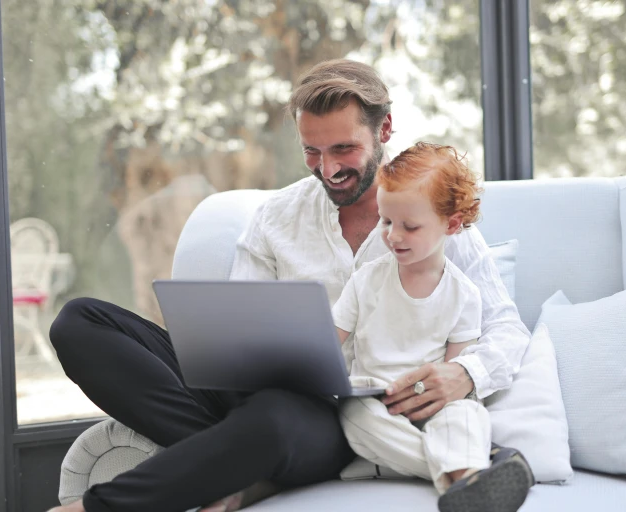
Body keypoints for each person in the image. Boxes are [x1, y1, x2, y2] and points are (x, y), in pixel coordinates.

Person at [47, 59, 532, 512]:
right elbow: (241, 328)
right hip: (259, 395)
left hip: (339, 419)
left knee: (274, 421)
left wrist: (464, 373)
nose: (329, 169)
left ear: (384, 130)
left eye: (344, 149)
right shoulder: (277, 216)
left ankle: (103, 506)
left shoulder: (433, 221)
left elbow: (506, 329)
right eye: (312, 151)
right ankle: (245, 462)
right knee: (80, 323)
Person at [334, 142, 533, 512]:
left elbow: (454, 371)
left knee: (466, 413)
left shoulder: (465, 293)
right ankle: (468, 475)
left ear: (452, 224)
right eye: (386, 221)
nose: (393, 235)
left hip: (432, 403)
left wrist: (438, 406)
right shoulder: (365, 280)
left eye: (409, 226)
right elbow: (330, 343)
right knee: (354, 418)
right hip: (377, 401)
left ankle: (427, 470)